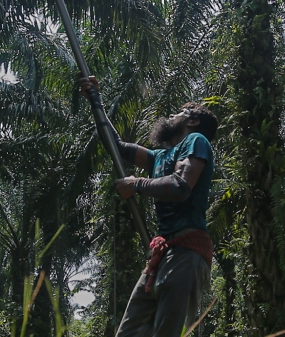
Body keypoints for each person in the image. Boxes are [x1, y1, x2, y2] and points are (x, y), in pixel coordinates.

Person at [79, 76, 218, 337]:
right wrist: (95, 100)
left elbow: (180, 187)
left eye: (180, 112)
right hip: (163, 253)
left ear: (192, 120)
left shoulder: (196, 140)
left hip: (187, 251)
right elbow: (117, 146)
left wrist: (137, 184)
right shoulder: (159, 156)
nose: (171, 115)